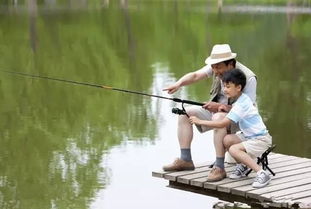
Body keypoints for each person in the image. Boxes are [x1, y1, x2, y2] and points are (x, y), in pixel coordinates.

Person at [162, 44, 257, 182]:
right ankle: (185, 160)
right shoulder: (217, 67)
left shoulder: (248, 78)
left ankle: (219, 167)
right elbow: (195, 75)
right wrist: (178, 84)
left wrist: (219, 106)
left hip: (241, 119)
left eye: (218, 67)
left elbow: (247, 110)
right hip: (218, 112)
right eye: (213, 67)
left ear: (230, 64)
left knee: (218, 117)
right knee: (184, 113)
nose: (215, 70)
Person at [189, 69, 272, 188]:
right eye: (224, 86)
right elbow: (232, 113)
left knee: (233, 149)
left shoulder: (241, 104)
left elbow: (222, 124)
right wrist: (224, 108)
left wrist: (200, 121)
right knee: (227, 140)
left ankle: (262, 173)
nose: (224, 90)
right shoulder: (240, 100)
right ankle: (243, 166)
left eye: (228, 86)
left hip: (260, 140)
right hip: (250, 137)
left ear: (238, 87)